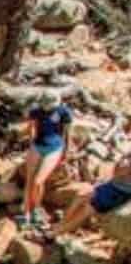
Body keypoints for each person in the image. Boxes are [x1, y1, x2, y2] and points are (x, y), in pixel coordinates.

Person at [19, 98, 76, 230]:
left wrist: (66, 150)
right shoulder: (36, 111)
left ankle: (36, 208)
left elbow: (67, 132)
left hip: (54, 146)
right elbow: (32, 126)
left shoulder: (63, 112)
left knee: (39, 181)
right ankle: (27, 212)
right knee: (29, 180)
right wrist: (31, 141)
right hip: (37, 145)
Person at [55, 156, 131, 237]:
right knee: (80, 196)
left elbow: (119, 173)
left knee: (86, 210)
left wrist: (123, 166)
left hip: (117, 193)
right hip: (110, 185)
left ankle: (54, 233)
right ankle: (60, 225)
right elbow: (116, 171)